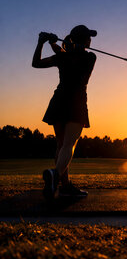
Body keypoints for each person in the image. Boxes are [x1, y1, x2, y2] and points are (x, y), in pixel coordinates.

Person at [32, 25, 97, 199]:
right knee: (69, 145)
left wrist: (43, 43)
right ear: (84, 40)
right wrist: (54, 44)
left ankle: (65, 185)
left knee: (61, 146)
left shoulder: (63, 56)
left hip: (58, 100)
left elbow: (36, 63)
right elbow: (69, 55)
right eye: (88, 38)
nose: (91, 40)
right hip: (76, 101)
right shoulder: (90, 57)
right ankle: (55, 175)